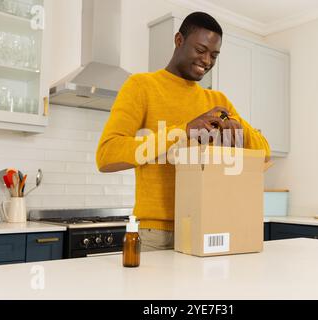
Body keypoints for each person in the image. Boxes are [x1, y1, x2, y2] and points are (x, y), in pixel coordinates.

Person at [96, 12, 271, 252]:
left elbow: (264, 155)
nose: (207, 61)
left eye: (214, 55)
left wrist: (240, 129)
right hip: (156, 234)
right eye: (201, 50)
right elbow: (107, 155)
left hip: (210, 227)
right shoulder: (141, 86)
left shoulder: (217, 101)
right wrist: (184, 131)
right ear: (179, 40)